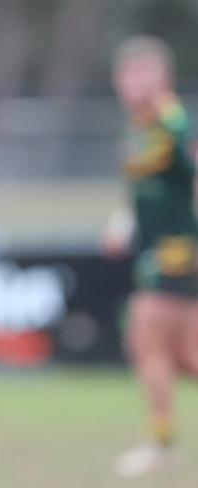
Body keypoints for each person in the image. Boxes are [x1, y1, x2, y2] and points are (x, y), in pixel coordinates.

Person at [104, 35, 198, 477]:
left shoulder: (176, 124)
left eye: (142, 73)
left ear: (164, 77)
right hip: (154, 251)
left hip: (179, 253)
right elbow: (144, 190)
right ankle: (161, 442)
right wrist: (123, 220)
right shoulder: (139, 128)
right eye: (126, 74)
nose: (132, 83)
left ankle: (161, 445)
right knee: (184, 354)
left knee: (147, 339)